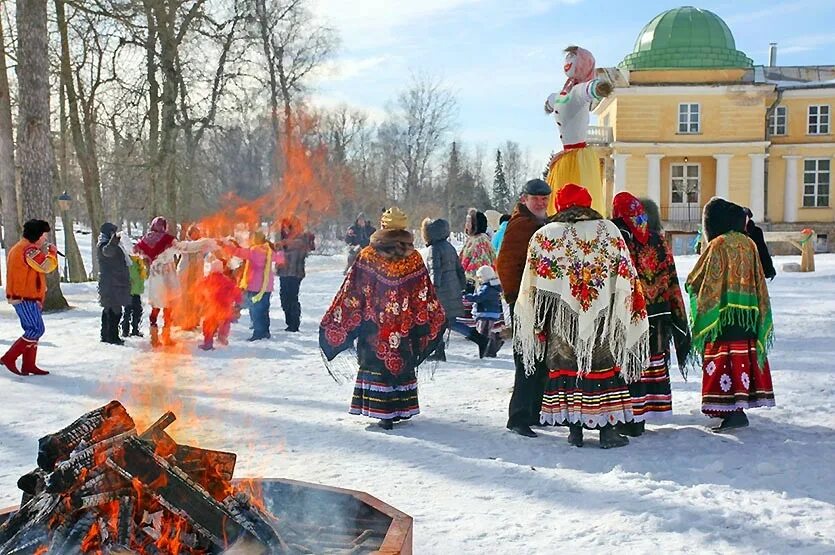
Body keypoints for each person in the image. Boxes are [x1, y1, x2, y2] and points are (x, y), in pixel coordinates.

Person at [515, 184, 649, 449]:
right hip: (601, 317)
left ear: (560, 206)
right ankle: (607, 431)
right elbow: (626, 275)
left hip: (562, 319)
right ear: (588, 204)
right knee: (601, 367)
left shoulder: (545, 236)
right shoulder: (608, 231)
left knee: (567, 368)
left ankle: (574, 429)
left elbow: (531, 283)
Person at [320, 207, 447, 430]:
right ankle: (399, 409)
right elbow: (424, 293)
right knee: (401, 363)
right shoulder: (414, 258)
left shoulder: (368, 255)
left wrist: (338, 318)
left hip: (374, 329)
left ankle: (382, 412)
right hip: (403, 330)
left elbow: (352, 291)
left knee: (377, 364)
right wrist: (428, 317)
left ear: (383, 226)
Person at [686, 198, 775, 432]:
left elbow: (699, 277)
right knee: (741, 360)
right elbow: (759, 275)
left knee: (723, 361)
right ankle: (739, 408)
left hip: (722, 317)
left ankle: (731, 412)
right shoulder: (748, 243)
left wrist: (691, 287)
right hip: (748, 314)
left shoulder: (719, 244)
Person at [611, 193, 692, 436]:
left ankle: (627, 415)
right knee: (648, 364)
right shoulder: (658, 240)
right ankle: (641, 416)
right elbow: (671, 279)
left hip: (625, 317)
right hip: (657, 318)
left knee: (626, 365)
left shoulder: (619, 240)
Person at [496, 178, 552, 437]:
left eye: (544, 198)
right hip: (525, 302)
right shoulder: (521, 226)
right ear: (524, 199)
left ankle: (534, 411)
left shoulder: (542, 223)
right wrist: (514, 297)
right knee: (526, 358)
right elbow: (506, 264)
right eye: (535, 198)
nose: (540, 202)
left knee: (540, 359)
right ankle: (518, 416)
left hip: (543, 302)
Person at [543, 46, 612, 216]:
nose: (568, 61)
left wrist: (598, 87)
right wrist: (549, 103)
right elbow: (553, 101)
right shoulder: (563, 93)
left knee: (576, 191)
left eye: (573, 56)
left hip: (577, 157)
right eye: (567, 56)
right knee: (560, 195)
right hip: (566, 156)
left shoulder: (577, 92)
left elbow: (588, 90)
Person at [134, 216, 216, 347]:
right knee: (168, 308)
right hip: (168, 277)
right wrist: (204, 242)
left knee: (155, 307)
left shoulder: (145, 241)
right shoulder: (169, 241)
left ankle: (154, 337)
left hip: (156, 277)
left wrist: (122, 240)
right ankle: (166, 337)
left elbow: (134, 251)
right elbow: (186, 247)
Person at [421, 217, 487, 360]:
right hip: (452, 290)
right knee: (447, 321)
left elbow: (435, 270)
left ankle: (478, 339)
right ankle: (441, 351)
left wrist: (432, 290)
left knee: (439, 321)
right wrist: (462, 286)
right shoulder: (448, 246)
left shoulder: (434, 249)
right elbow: (459, 269)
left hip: (441, 291)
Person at [2, 219, 58, 376]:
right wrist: (52, 253)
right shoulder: (28, 250)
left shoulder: (24, 248)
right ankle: (9, 357)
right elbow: (45, 266)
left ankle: (29, 365)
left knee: (32, 329)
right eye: (44, 236)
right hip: (24, 296)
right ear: (37, 235)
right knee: (36, 329)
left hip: (28, 296)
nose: (45, 239)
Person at [233, 231, 276, 341]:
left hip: (255, 286)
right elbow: (280, 258)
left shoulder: (254, 251)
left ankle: (258, 332)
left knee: (256, 310)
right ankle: (265, 331)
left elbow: (239, 253)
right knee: (264, 309)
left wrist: (226, 246)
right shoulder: (269, 250)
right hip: (267, 285)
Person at [97, 223, 132, 345]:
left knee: (109, 310)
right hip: (111, 283)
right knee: (114, 311)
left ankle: (106, 335)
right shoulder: (104, 244)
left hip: (114, 282)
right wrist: (113, 243)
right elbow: (108, 252)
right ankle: (112, 337)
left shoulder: (109, 243)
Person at [277, 216, 314, 333]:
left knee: (292, 298)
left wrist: (284, 244)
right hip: (283, 272)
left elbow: (305, 246)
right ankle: (289, 322)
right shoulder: (283, 240)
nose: (285, 229)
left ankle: (294, 324)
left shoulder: (301, 238)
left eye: (287, 227)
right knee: (284, 298)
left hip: (295, 273)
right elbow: (277, 251)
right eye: (284, 227)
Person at [198, 259, 242, 351]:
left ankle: (208, 343)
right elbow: (235, 291)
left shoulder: (208, 279)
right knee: (225, 322)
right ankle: (222, 336)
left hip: (213, 306)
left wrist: (200, 300)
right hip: (226, 306)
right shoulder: (227, 280)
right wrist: (238, 300)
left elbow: (200, 288)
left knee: (209, 324)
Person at [464, 265, 505, 357]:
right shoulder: (491, 286)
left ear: (485, 277)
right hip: (488, 312)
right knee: (487, 332)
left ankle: (489, 350)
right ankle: (494, 346)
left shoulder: (487, 288)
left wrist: (467, 296)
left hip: (486, 313)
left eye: (480, 277)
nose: (479, 279)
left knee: (483, 334)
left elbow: (479, 298)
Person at [175, 225, 206, 330]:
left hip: (196, 275)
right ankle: (185, 321)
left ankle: (194, 320)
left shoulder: (202, 245)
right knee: (185, 299)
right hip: (186, 275)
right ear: (190, 233)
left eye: (197, 232)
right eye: (194, 232)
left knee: (196, 299)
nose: (196, 234)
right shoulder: (185, 244)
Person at [459, 210, 495, 284]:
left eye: (469, 222)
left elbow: (480, 265)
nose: (466, 225)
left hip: (476, 286)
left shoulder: (480, 241)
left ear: (476, 224)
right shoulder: (473, 239)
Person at [743, 208, 776, 280]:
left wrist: (769, 269)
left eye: (746, 217)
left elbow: (762, 251)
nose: (744, 220)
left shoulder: (756, 232)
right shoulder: (733, 232)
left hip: (753, 267)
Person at [121, 253, 147, 338]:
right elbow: (131, 275)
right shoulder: (130, 261)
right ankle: (126, 331)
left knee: (136, 311)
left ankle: (134, 330)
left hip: (135, 291)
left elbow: (141, 275)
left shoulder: (138, 261)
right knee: (129, 311)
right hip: (130, 291)